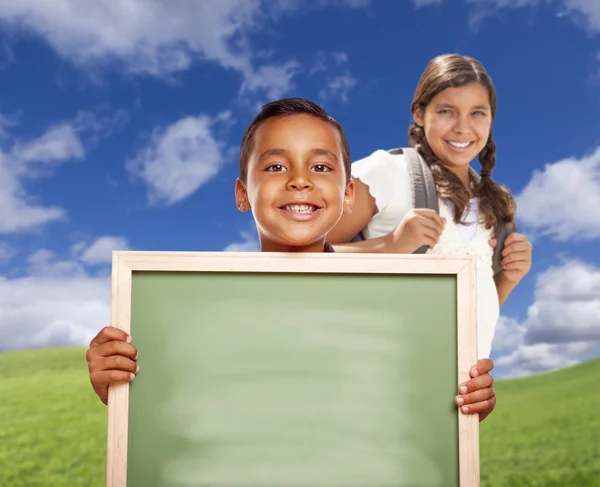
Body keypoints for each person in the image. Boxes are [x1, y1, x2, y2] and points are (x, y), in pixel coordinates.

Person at [86, 97, 497, 421]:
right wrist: (120, 389)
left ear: (348, 194)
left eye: (320, 166)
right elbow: (181, 413)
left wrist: (466, 405)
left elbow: (418, 408)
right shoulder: (194, 311)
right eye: (276, 165)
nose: (299, 180)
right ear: (243, 193)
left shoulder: (399, 309)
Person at [328, 54, 533, 375]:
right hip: (380, 375)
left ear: (491, 119)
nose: (463, 127)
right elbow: (301, 256)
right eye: (446, 111)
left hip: (459, 392)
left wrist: (509, 277)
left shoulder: (498, 201)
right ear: (420, 114)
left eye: (477, 113)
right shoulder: (386, 171)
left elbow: (482, 304)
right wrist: (391, 246)